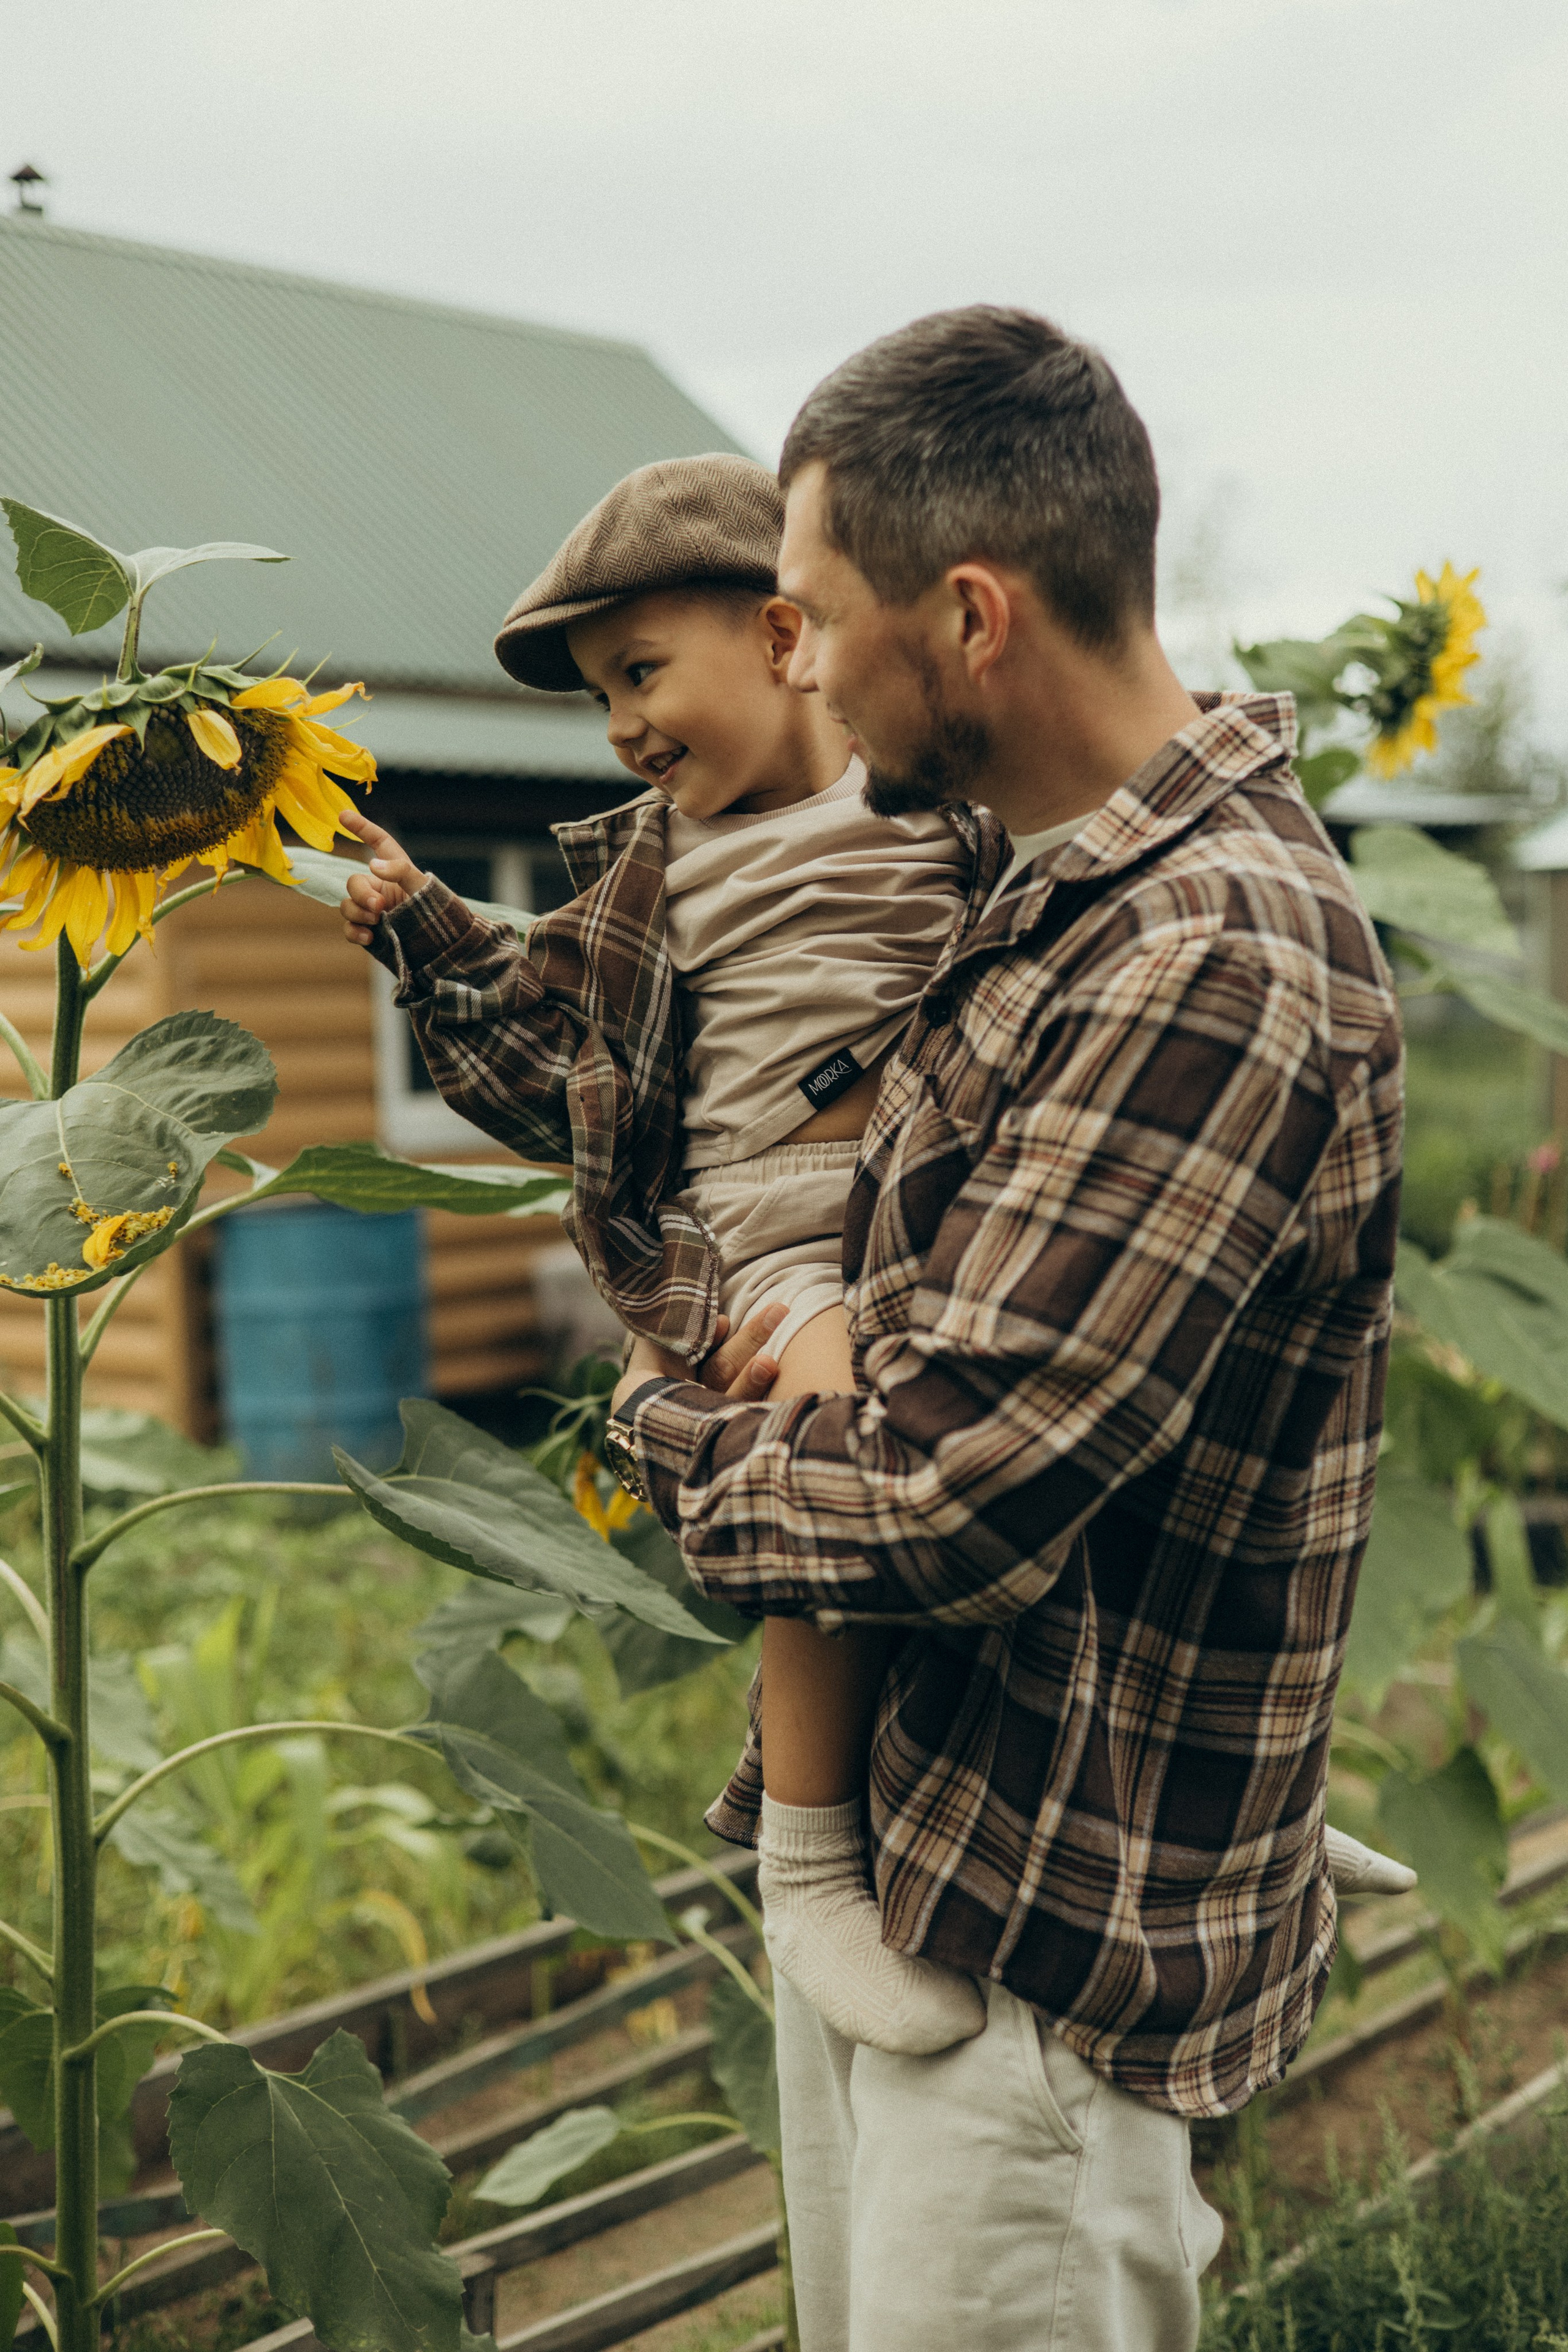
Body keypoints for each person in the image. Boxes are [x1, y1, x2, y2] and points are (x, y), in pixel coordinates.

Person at [601, 308, 1408, 2351]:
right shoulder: (1032, 889)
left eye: (806, 616)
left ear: (968, 617)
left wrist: (664, 1408)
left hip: (1050, 1943)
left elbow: (939, 1494)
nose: (791, 663)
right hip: (931, 1840)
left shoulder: (1204, 958)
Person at [338, 453, 991, 2056]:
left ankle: (1183, 1787)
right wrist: (426, 927)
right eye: (598, 696)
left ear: (784, 639)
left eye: (641, 673)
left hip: (956, 1206)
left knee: (1104, 1358)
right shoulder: (652, 870)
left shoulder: (929, 805)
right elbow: (541, 1055)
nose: (623, 724)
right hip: (767, 1245)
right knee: (835, 1420)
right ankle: (812, 1856)